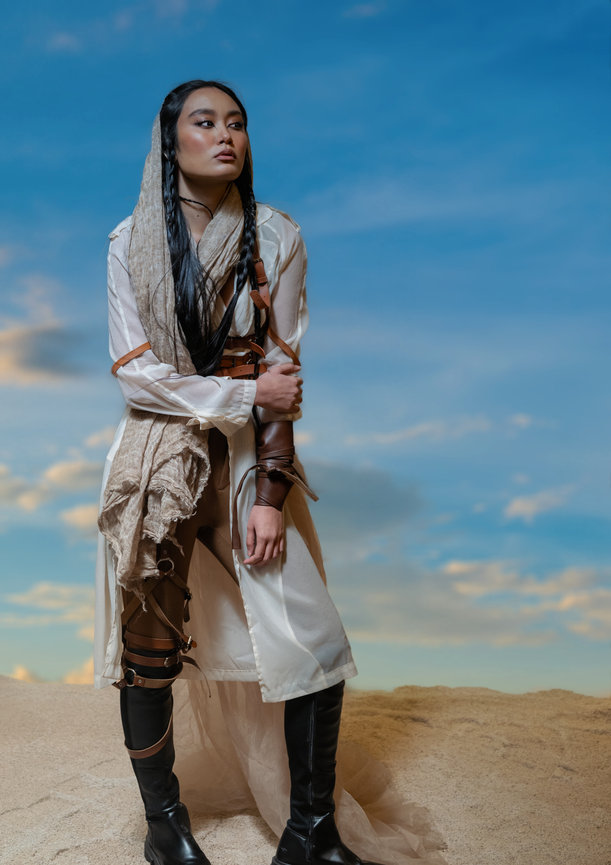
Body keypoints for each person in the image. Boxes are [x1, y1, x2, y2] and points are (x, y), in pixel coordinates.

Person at [95, 80, 445, 865]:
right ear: (169, 142)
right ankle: (165, 827)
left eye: (237, 123)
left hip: (247, 458)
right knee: (148, 652)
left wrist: (271, 491)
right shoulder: (127, 242)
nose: (225, 135)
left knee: (313, 640)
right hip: (156, 466)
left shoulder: (275, 235)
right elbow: (137, 376)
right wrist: (246, 391)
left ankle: (309, 832)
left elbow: (283, 369)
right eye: (204, 122)